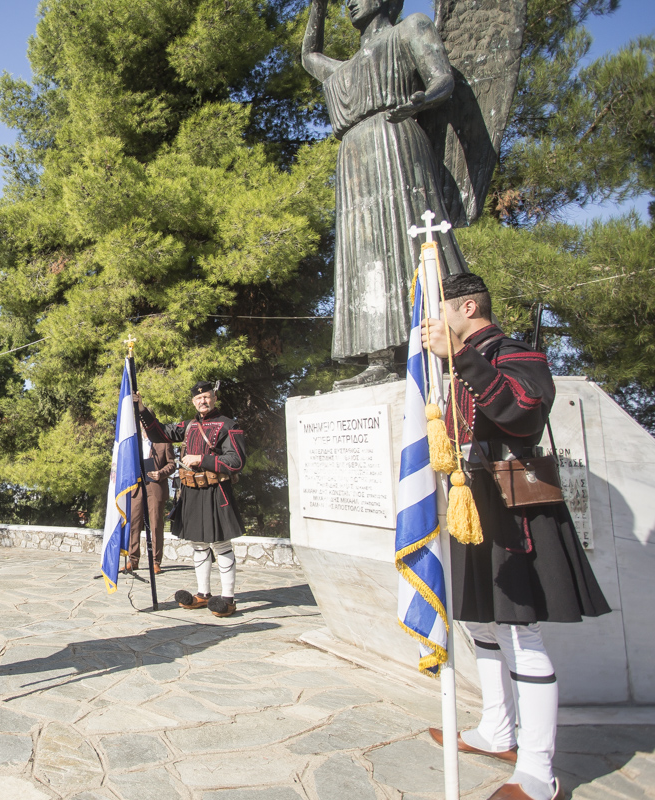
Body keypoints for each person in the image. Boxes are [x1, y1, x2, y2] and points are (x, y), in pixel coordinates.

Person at [421, 273, 610, 800]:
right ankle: (497, 730)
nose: (434, 322)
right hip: (470, 503)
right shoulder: (455, 365)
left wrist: (463, 358)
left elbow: (524, 416)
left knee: (519, 632)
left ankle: (537, 768)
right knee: (480, 623)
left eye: (443, 310)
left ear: (469, 306)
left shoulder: (515, 352)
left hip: (512, 506)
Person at [302, 0, 467, 386]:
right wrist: (317, 8)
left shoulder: (410, 28)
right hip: (355, 158)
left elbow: (443, 79)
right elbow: (309, 56)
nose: (351, 3)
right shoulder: (347, 68)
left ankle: (444, 339)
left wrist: (425, 99)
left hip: (395, 140)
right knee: (366, 254)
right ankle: (380, 358)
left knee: (413, 238)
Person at [135, 382, 247, 617]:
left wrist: (202, 459)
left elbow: (236, 461)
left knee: (221, 545)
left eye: (206, 397)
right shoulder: (188, 426)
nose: (202, 402)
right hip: (191, 492)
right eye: (198, 399)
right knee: (198, 544)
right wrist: (142, 409)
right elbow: (160, 433)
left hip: (217, 491)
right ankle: (203, 594)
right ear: (193, 402)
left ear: (214, 397)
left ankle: (228, 598)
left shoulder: (229, 425)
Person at [124, 430, 175, 574]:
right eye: (141, 423)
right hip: (137, 487)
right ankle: (133, 561)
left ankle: (155, 562)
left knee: (156, 525)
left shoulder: (164, 441)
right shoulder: (133, 442)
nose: (144, 427)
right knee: (133, 523)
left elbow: (172, 464)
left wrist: (161, 473)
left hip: (155, 487)